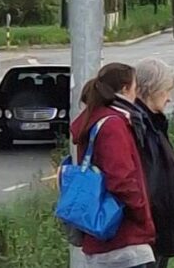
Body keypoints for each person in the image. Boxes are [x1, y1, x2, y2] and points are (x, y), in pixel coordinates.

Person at [70, 63, 156, 268]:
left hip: (103, 239)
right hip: (123, 239)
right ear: (125, 89)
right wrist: (142, 213)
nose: (136, 95)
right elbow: (120, 179)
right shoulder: (113, 125)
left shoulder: (95, 120)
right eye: (135, 89)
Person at [133, 58, 174, 267]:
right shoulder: (139, 124)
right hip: (150, 230)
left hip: (159, 228)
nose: (169, 98)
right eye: (167, 90)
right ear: (152, 89)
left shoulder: (153, 122)